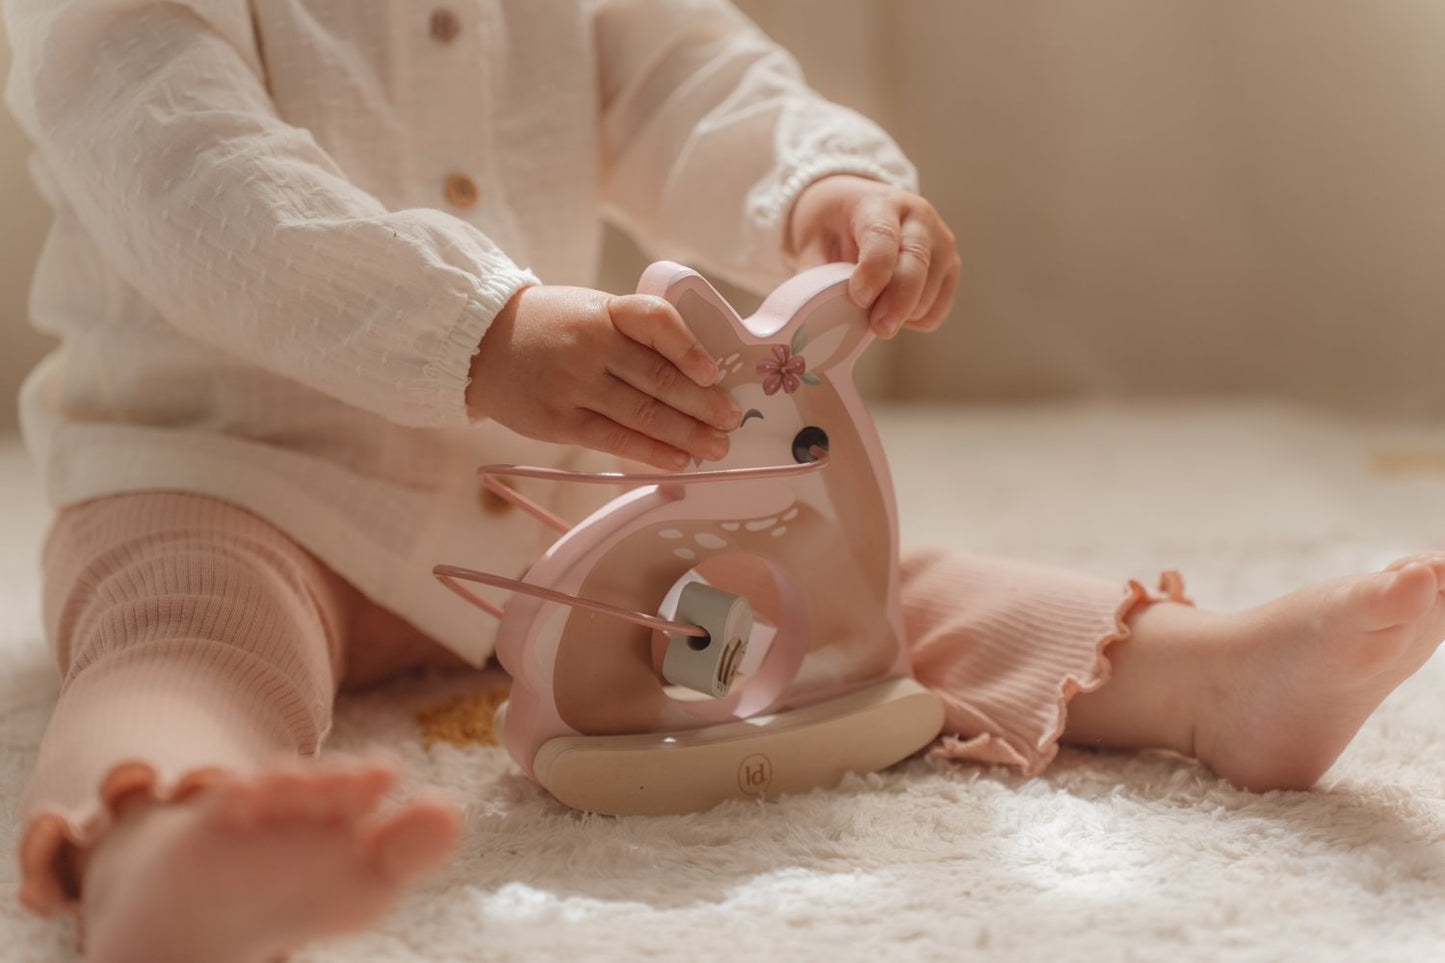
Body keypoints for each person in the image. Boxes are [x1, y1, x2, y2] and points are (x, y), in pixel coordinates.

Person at [4, 2, 1442, 961]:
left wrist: (819, 190)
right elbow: (192, 180)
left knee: (852, 584)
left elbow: (694, 78)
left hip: (546, 481)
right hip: (228, 475)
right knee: (186, 631)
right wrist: (478, 329)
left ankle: (1204, 681)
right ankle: (169, 838)